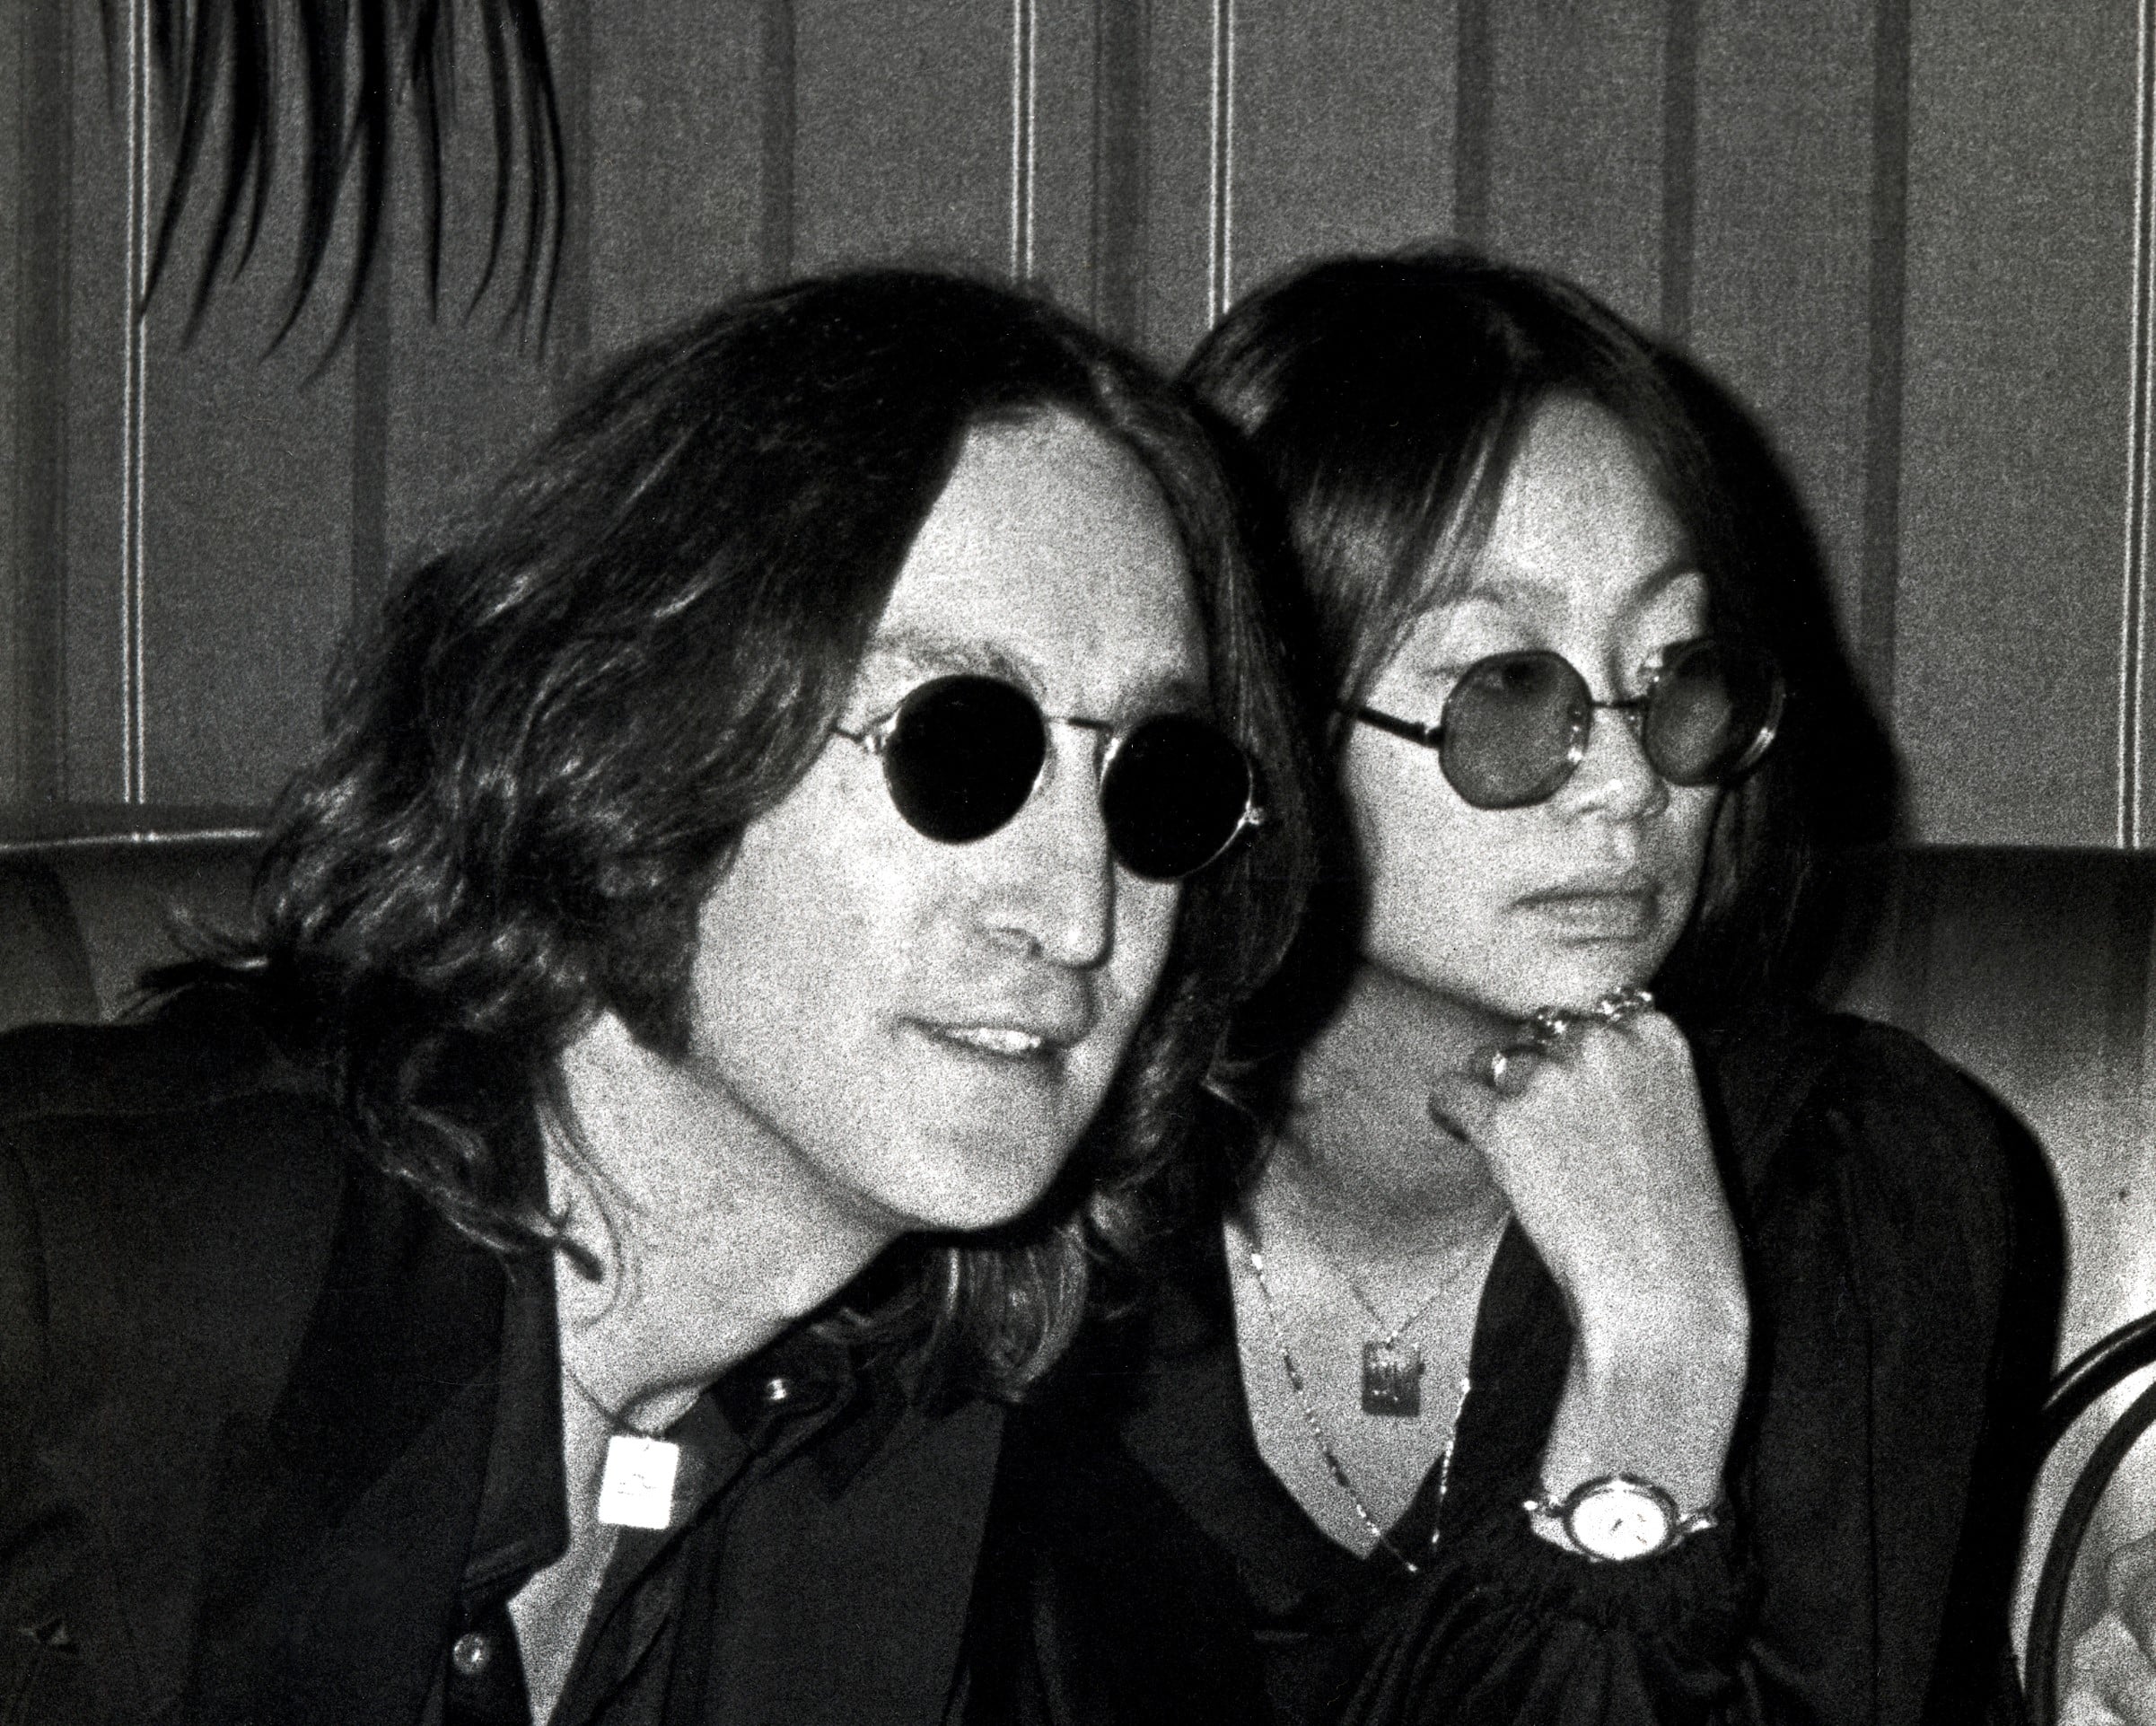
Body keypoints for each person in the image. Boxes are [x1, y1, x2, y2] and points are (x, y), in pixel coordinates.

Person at [0, 269, 1315, 1725]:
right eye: (959, 750)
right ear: (630, 735)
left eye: (1157, 787)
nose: (1076, 913)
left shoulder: (964, 1501)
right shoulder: (70, 1282)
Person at [976, 251, 2063, 1723]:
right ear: (1261, 715)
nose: (1629, 785)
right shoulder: (1012, 1177)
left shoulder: (1851, 1179)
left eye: (1674, 676)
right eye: (1504, 686)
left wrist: (1657, 1355)